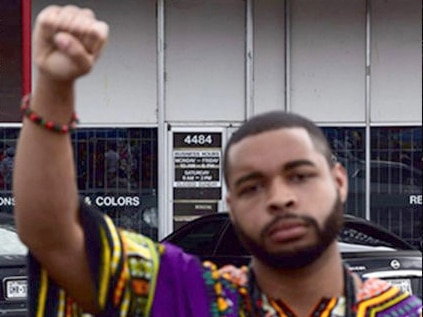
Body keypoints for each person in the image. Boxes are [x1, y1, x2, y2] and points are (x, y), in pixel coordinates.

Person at [12, 5, 422, 317]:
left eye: (299, 176)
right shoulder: (193, 297)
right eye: (252, 186)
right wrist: (54, 85)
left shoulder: (399, 313)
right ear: (231, 206)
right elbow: (53, 236)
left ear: (339, 182)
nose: (279, 198)